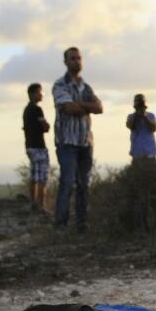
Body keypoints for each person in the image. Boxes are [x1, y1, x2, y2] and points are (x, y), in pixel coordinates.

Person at [52, 47, 103, 232]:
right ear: (65, 61)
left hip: (85, 143)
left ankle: (82, 223)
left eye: (79, 58)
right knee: (67, 183)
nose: (77, 61)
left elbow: (99, 107)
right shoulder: (59, 85)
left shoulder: (86, 87)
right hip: (67, 142)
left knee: (83, 184)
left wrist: (79, 104)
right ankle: (61, 224)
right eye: (73, 58)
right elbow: (68, 108)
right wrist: (86, 107)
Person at [22, 83, 51, 213]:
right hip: (38, 147)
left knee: (34, 176)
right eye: (39, 92)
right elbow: (45, 127)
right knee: (42, 177)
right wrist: (46, 125)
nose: (41, 95)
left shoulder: (26, 110)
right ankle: (41, 206)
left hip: (29, 146)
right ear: (32, 94)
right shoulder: (37, 110)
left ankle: (33, 203)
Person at [127, 93, 156, 161]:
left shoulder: (151, 116)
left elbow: (154, 128)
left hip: (150, 152)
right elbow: (131, 126)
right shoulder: (131, 116)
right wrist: (137, 115)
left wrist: (144, 117)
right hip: (136, 152)